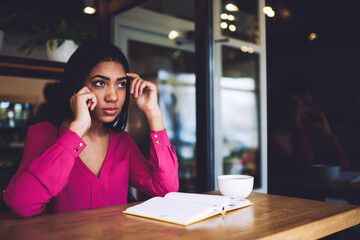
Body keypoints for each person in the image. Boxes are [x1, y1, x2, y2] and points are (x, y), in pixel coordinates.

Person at [3, 40, 179, 217]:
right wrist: (78, 128)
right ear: (79, 86)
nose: (113, 97)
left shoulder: (122, 142)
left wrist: (153, 113)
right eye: (100, 83)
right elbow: (22, 205)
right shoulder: (43, 134)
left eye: (121, 84)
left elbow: (166, 189)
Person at [269, 84, 349, 185]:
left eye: (310, 105)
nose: (309, 111)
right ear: (288, 105)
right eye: (304, 104)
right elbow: (303, 172)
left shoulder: (305, 136)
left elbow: (343, 167)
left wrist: (327, 134)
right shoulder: (269, 141)